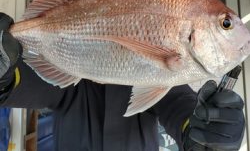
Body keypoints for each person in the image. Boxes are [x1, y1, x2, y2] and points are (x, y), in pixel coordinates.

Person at [0, 13, 245, 151]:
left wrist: (204, 132)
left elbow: (179, 106)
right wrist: (5, 77)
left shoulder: (164, 77)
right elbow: (32, 86)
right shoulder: (70, 73)